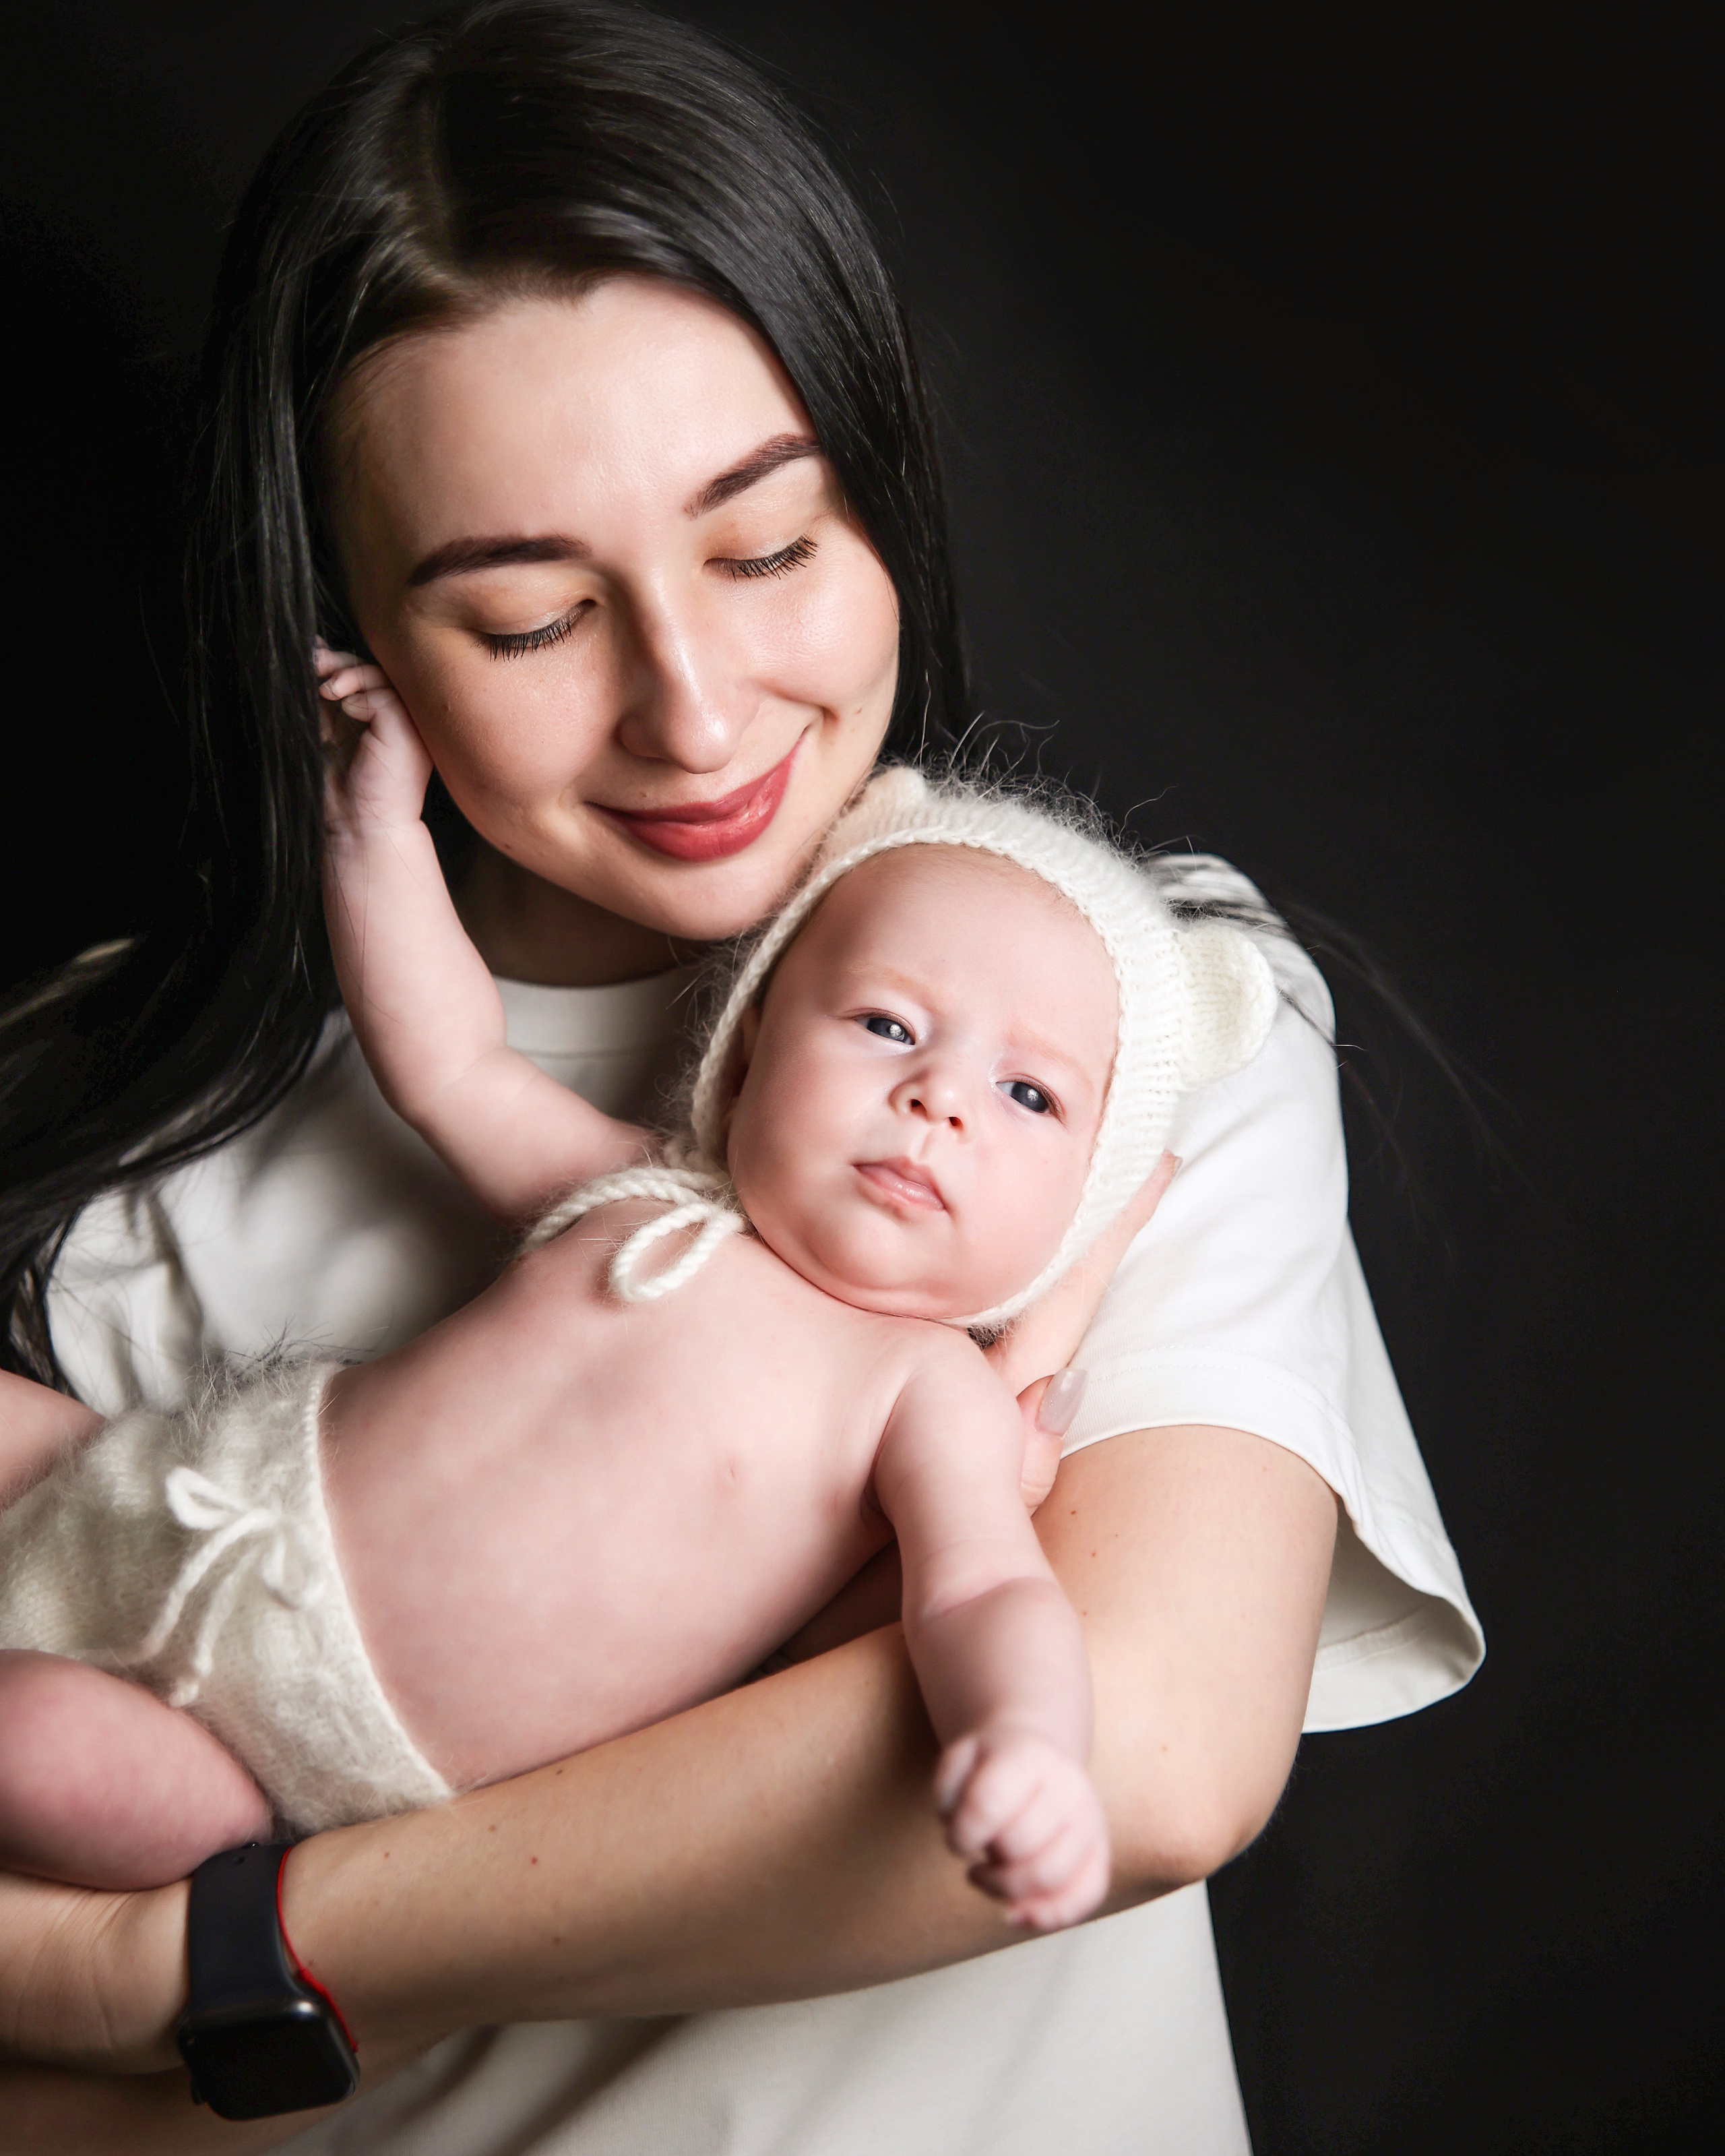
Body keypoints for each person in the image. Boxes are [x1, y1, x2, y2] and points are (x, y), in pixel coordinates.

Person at [0, 5, 1482, 2149]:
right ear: (349, 635)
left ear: (888, 485)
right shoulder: (123, 1114)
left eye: (770, 544)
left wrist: (215, 1968)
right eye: (525, 619)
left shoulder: (1123, 1025)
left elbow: (1149, 1755)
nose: (693, 714)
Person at [0, 763, 1278, 1932]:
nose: (937, 1096)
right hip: (151, 1479)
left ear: (1087, 1202)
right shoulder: (639, 1194)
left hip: (273, 1767)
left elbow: (983, 1590)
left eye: (1030, 1094)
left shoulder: (918, 1390)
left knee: (26, 1742)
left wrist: (1029, 1742)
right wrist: (371, 829)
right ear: (753, 1042)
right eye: (888, 1024)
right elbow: (448, 1062)